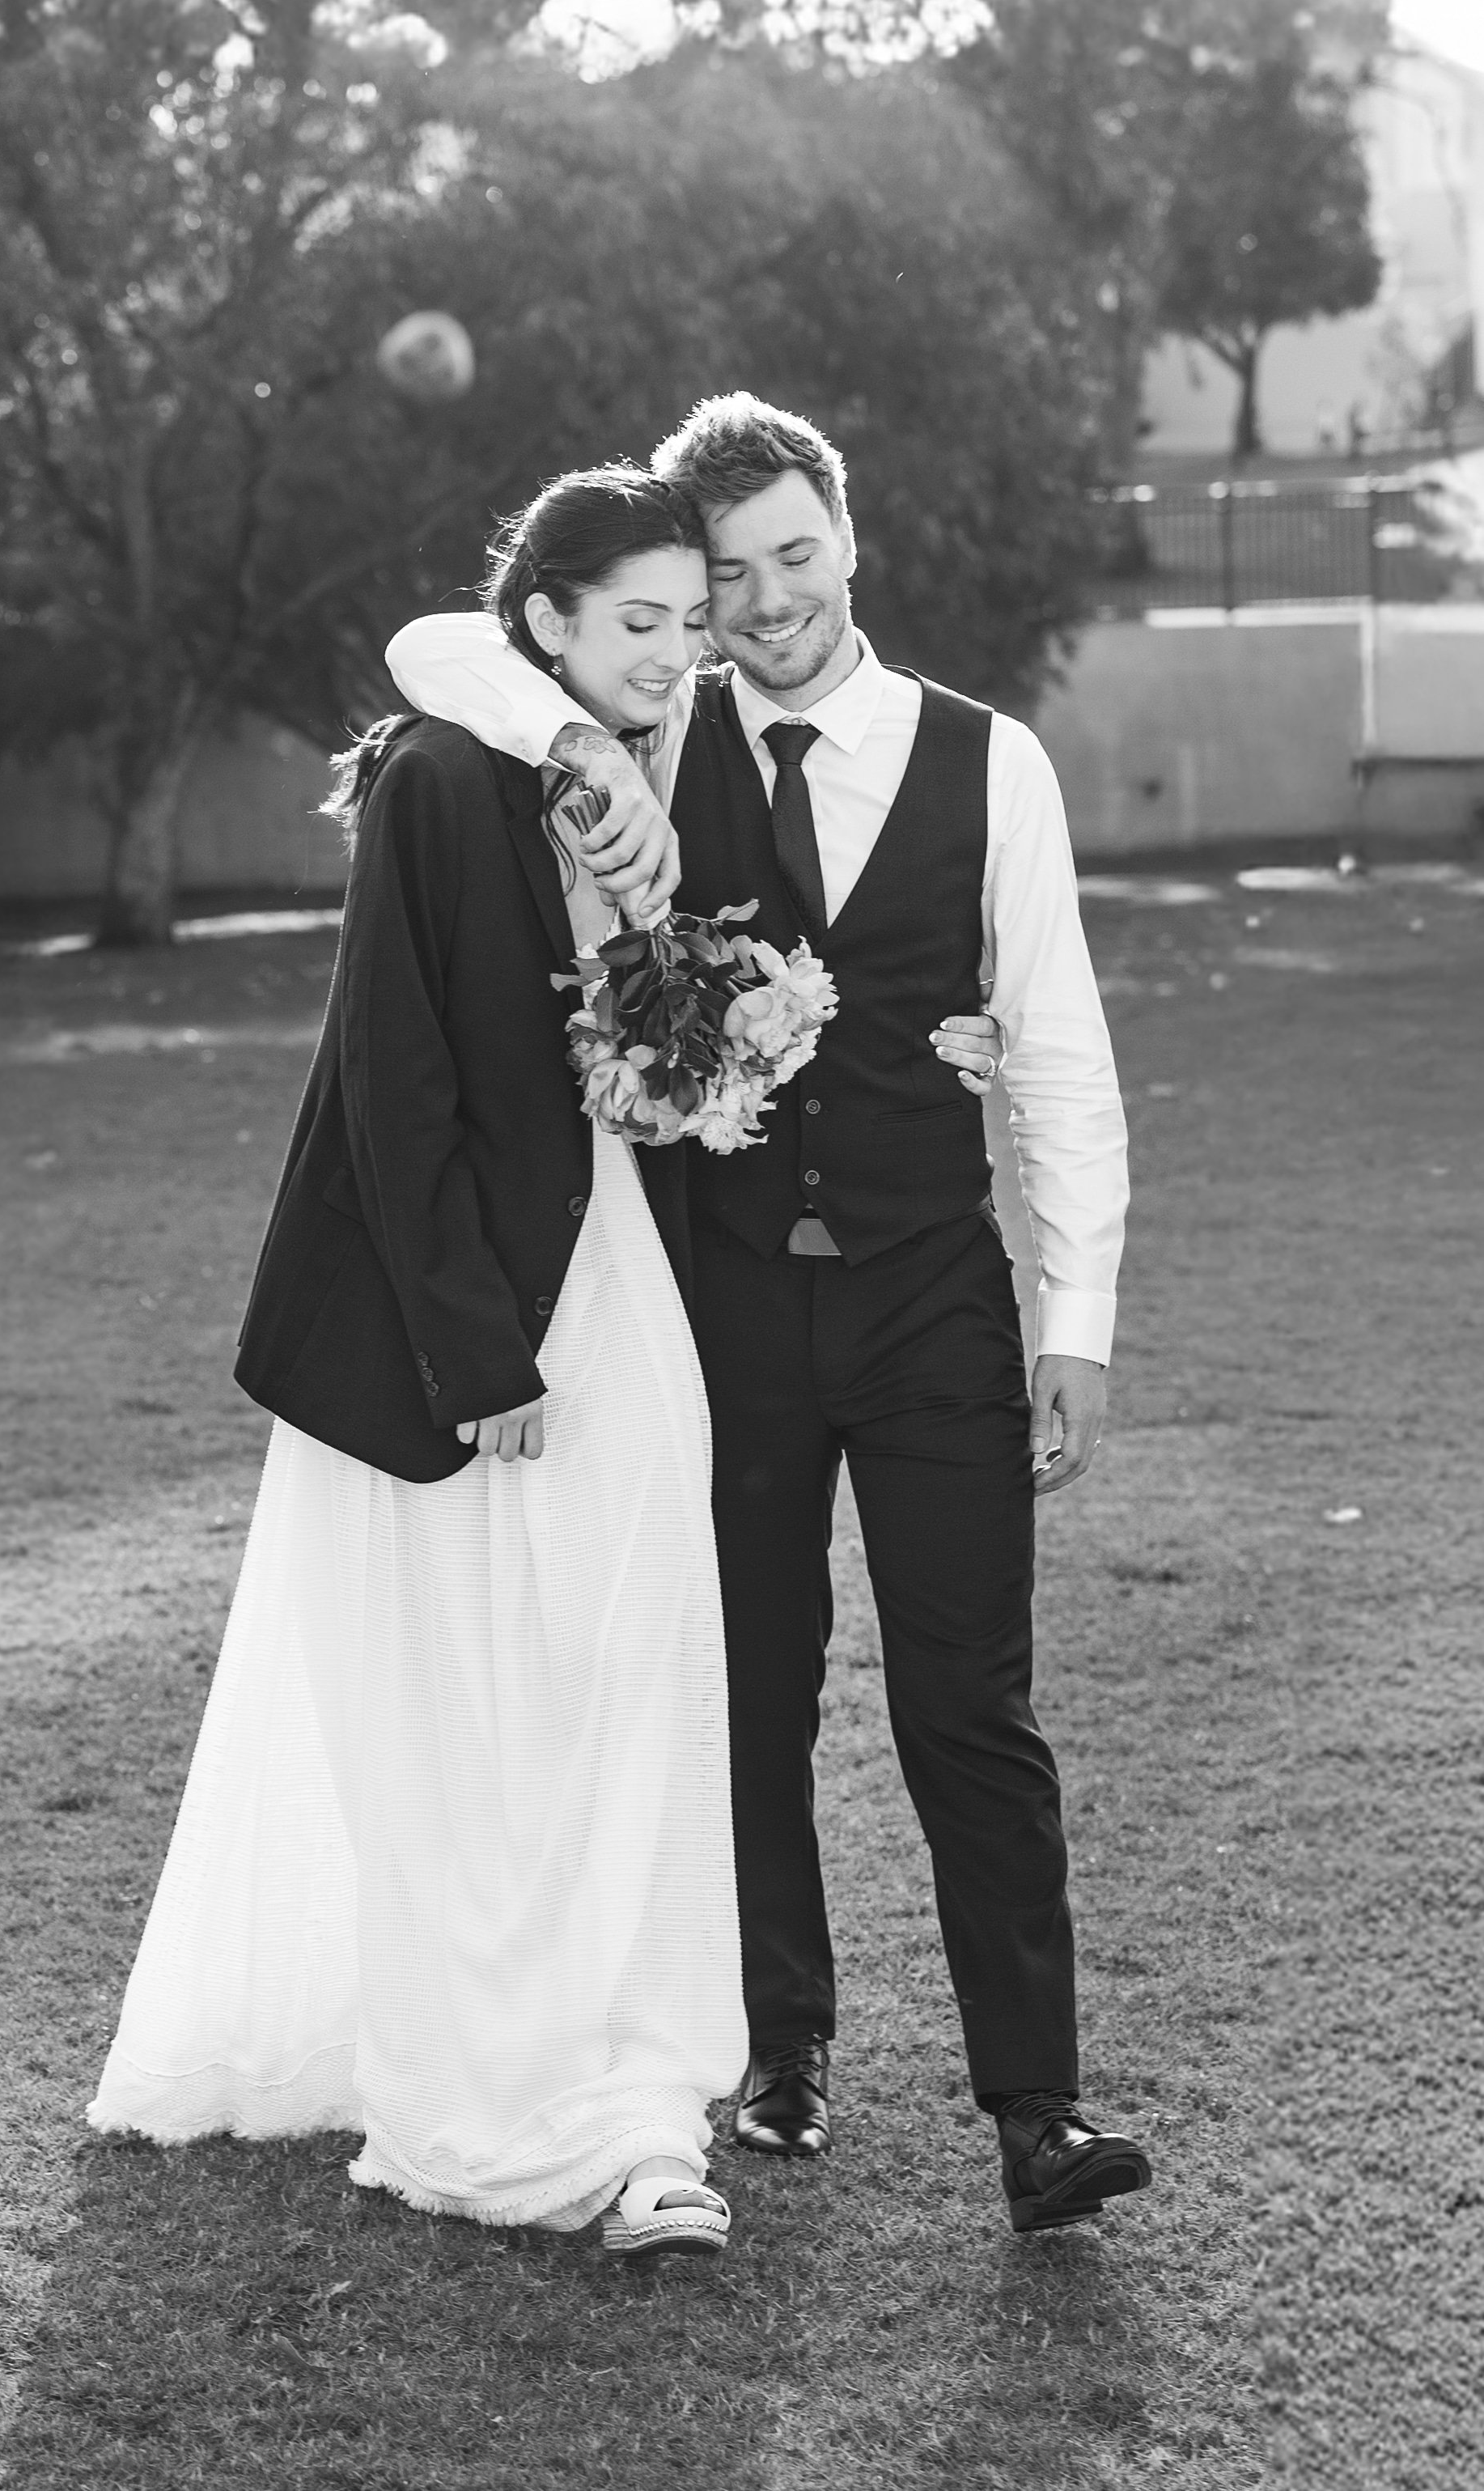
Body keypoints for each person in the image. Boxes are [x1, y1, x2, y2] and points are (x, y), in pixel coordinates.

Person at [387, 392, 1155, 2234]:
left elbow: (1049, 1043)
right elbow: (438, 646)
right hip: (713, 1306)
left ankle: (1033, 2108)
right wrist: (572, 740)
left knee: (967, 1700)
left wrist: (1077, 1312)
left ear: (848, 540)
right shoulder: (635, 745)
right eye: (723, 577)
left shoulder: (990, 762)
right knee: (745, 1690)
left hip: (928, 1304)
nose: (763, 600)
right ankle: (774, 2046)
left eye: (792, 555)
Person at [89, 467, 756, 2260]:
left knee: (630, 1664)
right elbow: (393, 1077)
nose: (674, 655)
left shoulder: (632, 771)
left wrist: (688, 1066)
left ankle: (634, 2070)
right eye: (640, 619)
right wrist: (480, 1350)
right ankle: (518, 2093)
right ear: (541, 620)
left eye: (692, 625)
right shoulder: (442, 776)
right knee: (484, 1703)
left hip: (616, 1271)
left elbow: (581, 1046)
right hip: (469, 1315)